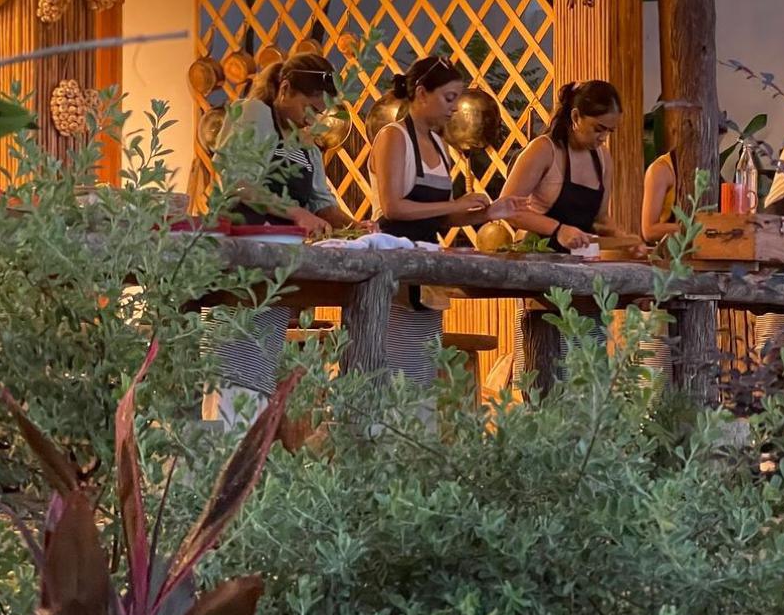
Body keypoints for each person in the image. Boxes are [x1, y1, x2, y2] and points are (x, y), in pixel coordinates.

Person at [206, 53, 368, 428]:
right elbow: (240, 182)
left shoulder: (306, 141)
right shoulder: (254, 113)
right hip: (245, 257)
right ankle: (228, 442)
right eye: (309, 107)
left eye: (319, 112)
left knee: (263, 364)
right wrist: (295, 213)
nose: (313, 118)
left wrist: (356, 227)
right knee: (238, 365)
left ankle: (252, 444)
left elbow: (321, 203)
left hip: (280, 265)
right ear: (284, 89)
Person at [370, 55, 527, 387]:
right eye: (449, 98)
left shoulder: (440, 146)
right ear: (422, 93)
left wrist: (487, 213)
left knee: (424, 374)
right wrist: (454, 203)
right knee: (393, 374)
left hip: (428, 270)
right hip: (392, 268)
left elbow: (440, 219)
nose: (454, 108)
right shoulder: (393, 137)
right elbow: (393, 207)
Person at [502, 80, 635, 383]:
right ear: (576, 117)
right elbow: (507, 208)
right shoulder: (544, 150)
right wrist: (558, 229)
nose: (603, 138)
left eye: (609, 131)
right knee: (546, 371)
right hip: (540, 274)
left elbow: (600, 219)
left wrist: (627, 240)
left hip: (584, 277)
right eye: (598, 128)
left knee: (589, 372)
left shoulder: (602, 159)